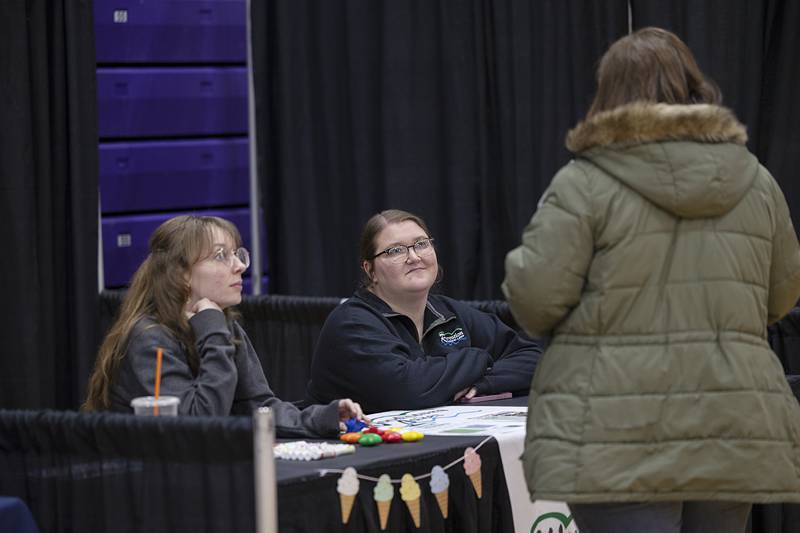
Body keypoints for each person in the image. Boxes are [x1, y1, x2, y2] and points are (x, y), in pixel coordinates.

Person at [503, 27, 800, 533]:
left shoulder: (584, 182)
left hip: (619, 429)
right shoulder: (756, 180)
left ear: (609, 94)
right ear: (694, 87)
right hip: (730, 420)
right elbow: (783, 294)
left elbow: (533, 301)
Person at [83, 215, 366, 438]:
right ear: (181, 274)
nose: (239, 266)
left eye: (237, 254)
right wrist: (213, 332)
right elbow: (195, 425)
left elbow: (259, 407)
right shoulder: (148, 337)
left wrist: (323, 418)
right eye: (221, 256)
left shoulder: (221, 325)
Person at [306, 209, 541, 414]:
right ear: (371, 271)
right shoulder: (351, 323)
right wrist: (478, 358)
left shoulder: (448, 311)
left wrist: (482, 384)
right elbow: (409, 390)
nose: (414, 257)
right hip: (349, 457)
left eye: (421, 244)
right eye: (395, 251)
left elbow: (534, 360)